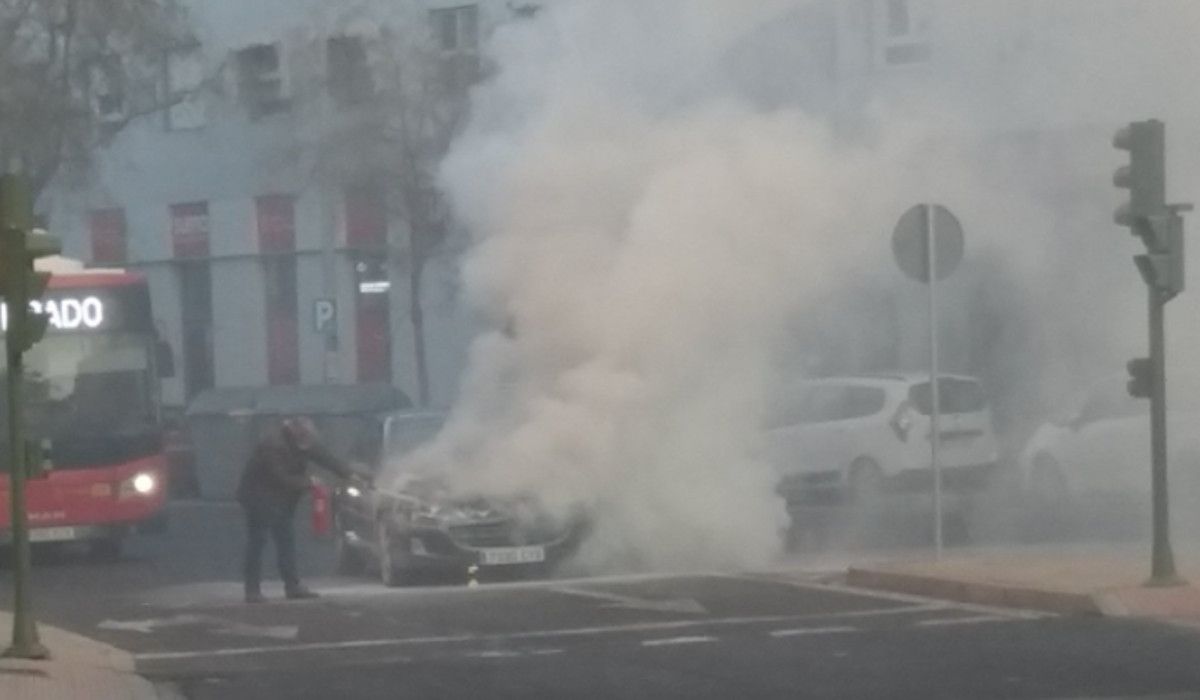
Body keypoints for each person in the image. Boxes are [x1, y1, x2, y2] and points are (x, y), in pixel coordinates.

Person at [237, 416, 359, 603]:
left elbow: (323, 456)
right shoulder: (273, 444)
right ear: (295, 431)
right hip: (259, 498)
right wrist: (309, 482)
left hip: (282, 499)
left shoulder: (301, 440)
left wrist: (349, 473)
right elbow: (279, 477)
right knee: (257, 543)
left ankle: (292, 586)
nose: (308, 443)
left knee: (286, 541)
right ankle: (252, 590)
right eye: (306, 438)